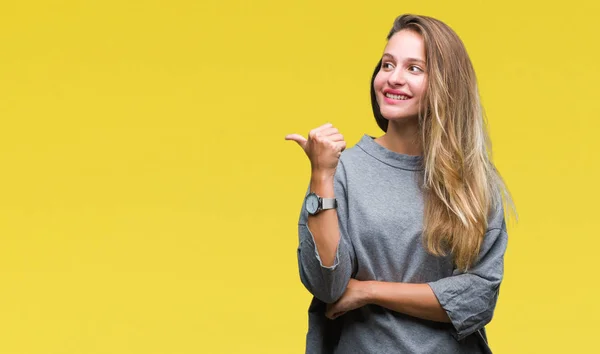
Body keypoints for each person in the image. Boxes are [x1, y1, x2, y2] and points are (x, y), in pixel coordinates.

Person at [285, 13, 516, 354]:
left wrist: (369, 291)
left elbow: (478, 297)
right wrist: (321, 176)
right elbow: (328, 287)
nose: (393, 79)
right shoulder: (341, 171)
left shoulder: (473, 182)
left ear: (445, 84)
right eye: (387, 64)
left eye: (413, 69)